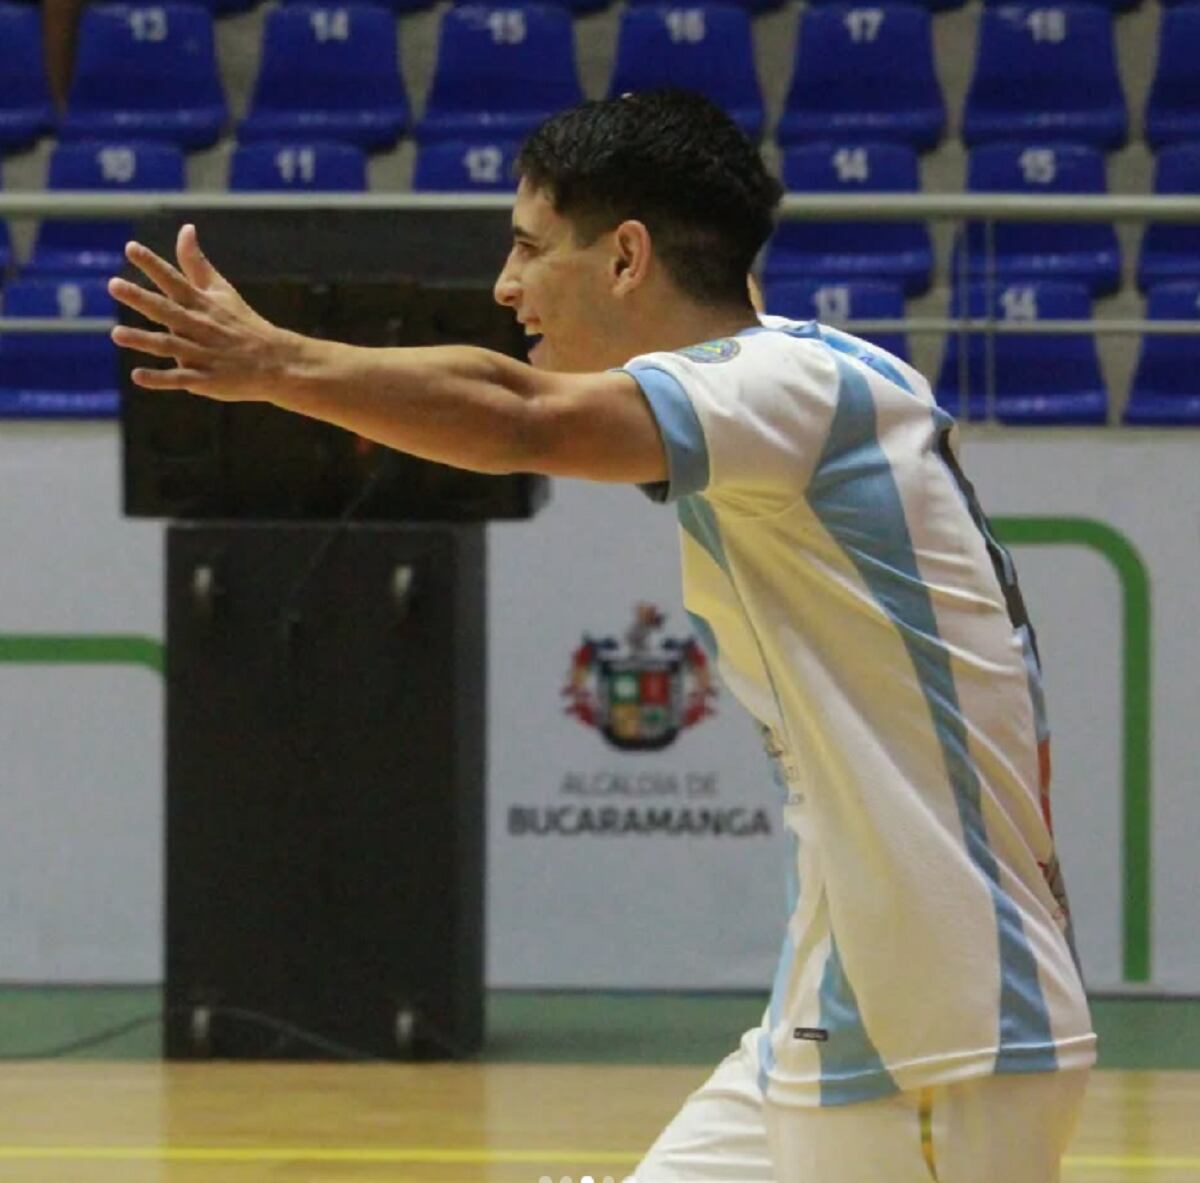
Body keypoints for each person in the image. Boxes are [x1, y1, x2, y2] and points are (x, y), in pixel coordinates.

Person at [109, 90, 1095, 1182]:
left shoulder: (786, 385)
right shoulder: (799, 383)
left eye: (530, 248)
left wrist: (276, 363)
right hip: (841, 1008)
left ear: (626, 257)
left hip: (931, 1033)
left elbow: (521, 415)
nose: (505, 284)